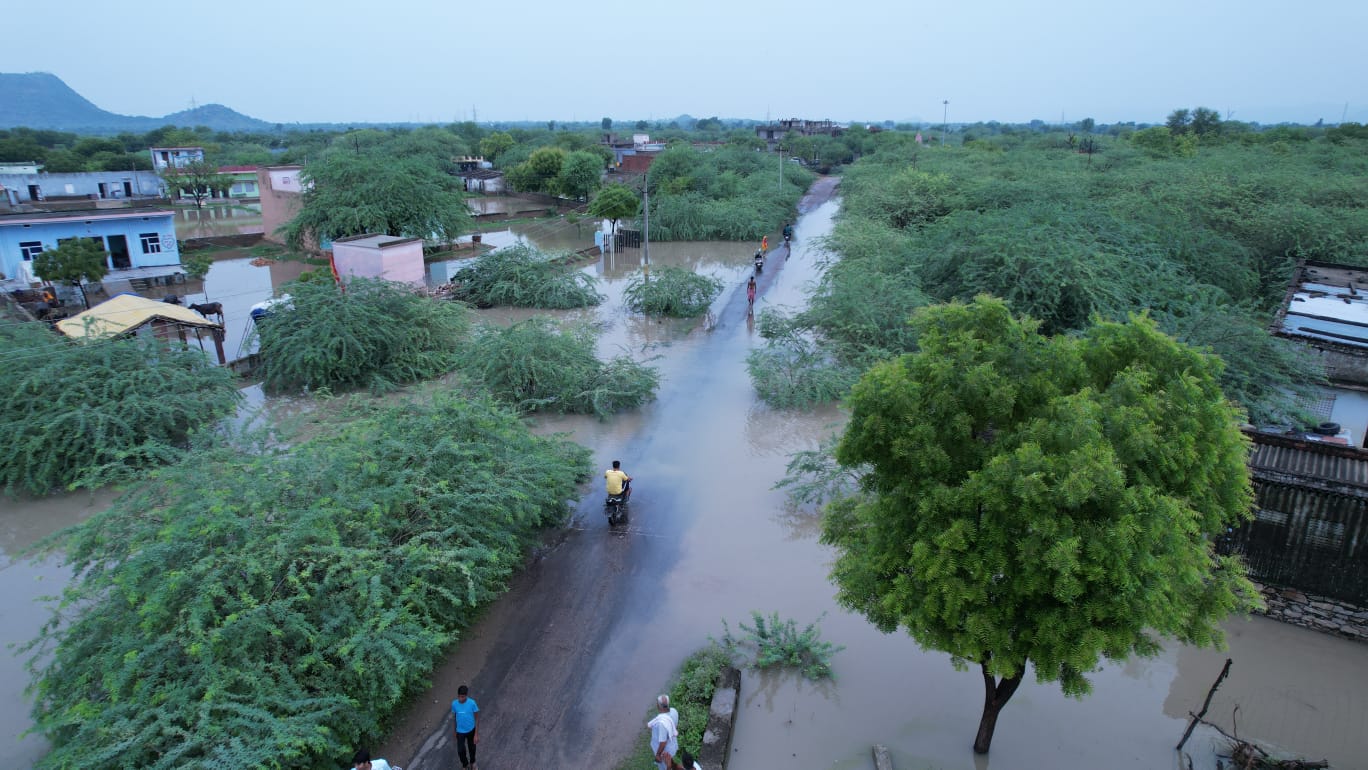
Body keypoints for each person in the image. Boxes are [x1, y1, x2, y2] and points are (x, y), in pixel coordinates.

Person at [451, 684, 479, 770]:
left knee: (472, 748)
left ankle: (473, 762)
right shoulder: (454, 704)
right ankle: (465, 764)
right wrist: (455, 731)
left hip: (471, 730)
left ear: (466, 695)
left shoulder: (472, 703)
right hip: (460, 731)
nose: (460, 699)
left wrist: (476, 734)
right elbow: (455, 717)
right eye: (459, 696)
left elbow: (477, 719)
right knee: (460, 751)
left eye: (462, 697)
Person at [647, 694, 679, 770]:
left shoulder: (661, 723)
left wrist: (658, 755)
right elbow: (675, 726)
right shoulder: (674, 711)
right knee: (671, 762)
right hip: (672, 743)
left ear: (658, 706)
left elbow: (663, 742)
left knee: (664, 766)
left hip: (665, 751)